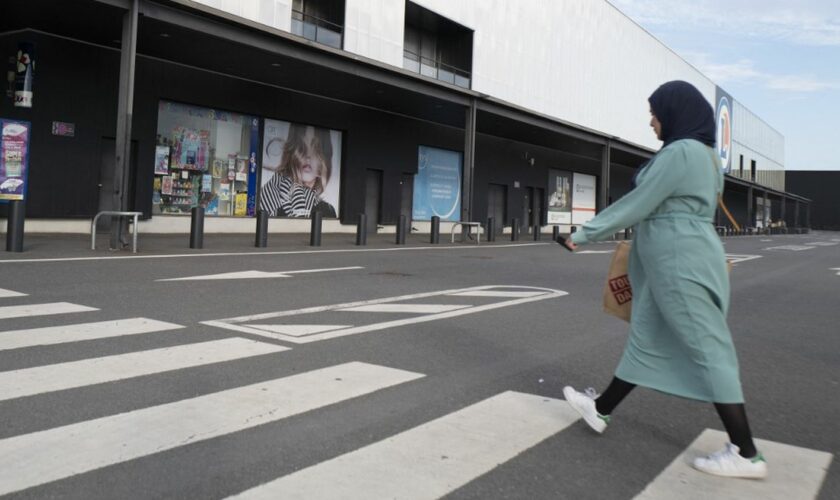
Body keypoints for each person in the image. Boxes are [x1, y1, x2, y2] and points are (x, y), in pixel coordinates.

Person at [559, 80, 767, 479]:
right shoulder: (703, 155)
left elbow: (640, 201)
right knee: (647, 337)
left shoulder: (682, 152)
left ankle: (746, 453)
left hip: (678, 261)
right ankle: (601, 409)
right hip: (675, 258)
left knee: (710, 349)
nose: (651, 120)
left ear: (674, 113)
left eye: (655, 111)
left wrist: (583, 234)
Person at [260, 124, 337, 218]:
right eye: (302, 146)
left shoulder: (327, 211)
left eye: (315, 148)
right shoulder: (265, 196)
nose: (308, 156)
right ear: (292, 151)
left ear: (324, 159)